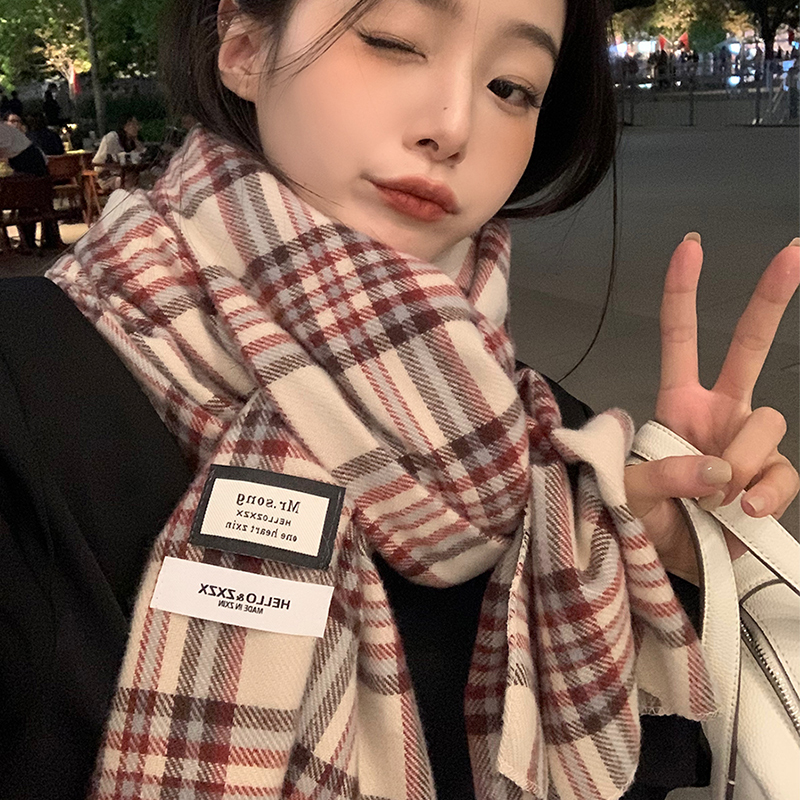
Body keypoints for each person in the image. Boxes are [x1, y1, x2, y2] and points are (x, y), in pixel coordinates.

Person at [0, 1, 797, 800]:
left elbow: (631, 769)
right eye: (392, 42)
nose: (453, 126)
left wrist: (678, 560)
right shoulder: (27, 381)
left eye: (511, 87)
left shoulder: (555, 453)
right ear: (242, 47)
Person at [0, 118, 61, 248]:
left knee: (29, 200)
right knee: (37, 201)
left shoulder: (3, 131)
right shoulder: (7, 130)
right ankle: (45, 240)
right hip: (31, 160)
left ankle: (31, 242)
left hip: (27, 162)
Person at [91, 114, 145, 190]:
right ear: (125, 126)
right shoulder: (112, 138)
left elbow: (142, 155)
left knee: (147, 177)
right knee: (132, 182)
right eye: (134, 124)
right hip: (109, 177)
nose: (138, 127)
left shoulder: (132, 141)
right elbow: (102, 161)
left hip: (127, 175)